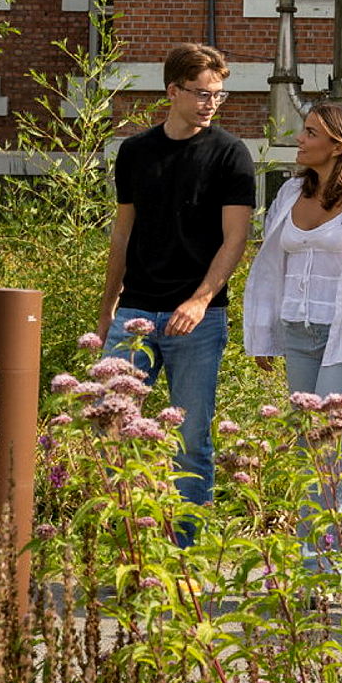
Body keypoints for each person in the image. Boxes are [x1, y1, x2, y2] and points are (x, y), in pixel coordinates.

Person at [98, 42, 257, 512]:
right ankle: (121, 540)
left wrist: (200, 300)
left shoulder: (231, 155)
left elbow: (235, 240)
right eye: (202, 93)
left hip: (198, 320)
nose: (211, 103)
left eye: (218, 95)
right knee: (110, 428)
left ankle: (186, 551)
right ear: (172, 91)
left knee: (191, 439)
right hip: (135, 311)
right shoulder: (135, 152)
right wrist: (109, 303)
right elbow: (123, 231)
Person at [242, 101, 342, 556]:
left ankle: (317, 558)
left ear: (338, 145)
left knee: (330, 447)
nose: (299, 139)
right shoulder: (289, 194)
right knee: (310, 447)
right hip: (299, 332)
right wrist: (266, 330)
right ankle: (330, 552)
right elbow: (270, 265)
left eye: (309, 133)